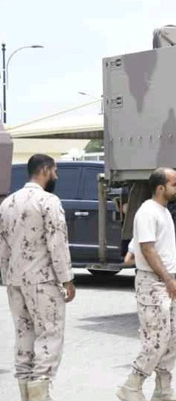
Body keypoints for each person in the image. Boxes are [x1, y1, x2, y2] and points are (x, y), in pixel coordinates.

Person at [0, 154, 76, 401]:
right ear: (44, 170)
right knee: (49, 336)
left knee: (24, 336)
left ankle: (25, 395)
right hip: (42, 282)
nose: (56, 176)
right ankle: (39, 396)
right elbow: (57, 243)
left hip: (15, 282)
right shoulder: (48, 201)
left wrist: (6, 277)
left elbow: (3, 247)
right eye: (55, 171)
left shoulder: (7, 203)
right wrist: (67, 279)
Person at [116, 168, 176, 401]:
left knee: (173, 338)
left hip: (166, 282)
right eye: (174, 184)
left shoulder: (163, 211)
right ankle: (131, 386)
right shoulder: (147, 212)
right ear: (160, 188)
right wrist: (168, 280)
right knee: (156, 340)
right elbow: (147, 250)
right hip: (153, 283)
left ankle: (163, 389)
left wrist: (172, 279)